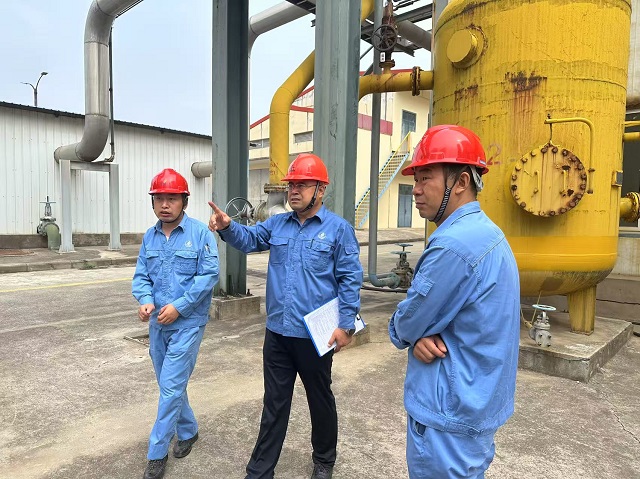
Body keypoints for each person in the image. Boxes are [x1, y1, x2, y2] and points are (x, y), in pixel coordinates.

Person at [208, 153, 363, 479]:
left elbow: (350, 279)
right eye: (291, 185)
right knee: (274, 404)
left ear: (320, 189)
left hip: (314, 336)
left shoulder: (338, 230)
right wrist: (228, 227)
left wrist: (346, 325)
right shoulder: (277, 224)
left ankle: (324, 460)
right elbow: (250, 239)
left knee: (319, 399)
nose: (293, 190)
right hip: (278, 333)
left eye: (302, 185)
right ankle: (260, 471)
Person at [388, 125, 520, 478]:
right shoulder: (489, 233)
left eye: (425, 178)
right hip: (478, 404)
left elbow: (407, 323)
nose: (415, 189)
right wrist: (420, 333)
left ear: (461, 182)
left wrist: (410, 333)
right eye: (416, 179)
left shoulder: (453, 246)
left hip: (449, 415)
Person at [132, 168, 219, 479]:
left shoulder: (200, 234)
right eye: (159, 199)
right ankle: (188, 429)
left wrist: (179, 307)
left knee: (170, 388)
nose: (165, 205)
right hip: (158, 325)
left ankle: (157, 453)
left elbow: (208, 276)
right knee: (170, 384)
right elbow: (142, 275)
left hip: (188, 324)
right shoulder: (150, 237)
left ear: (184, 201)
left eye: (172, 198)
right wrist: (145, 300)